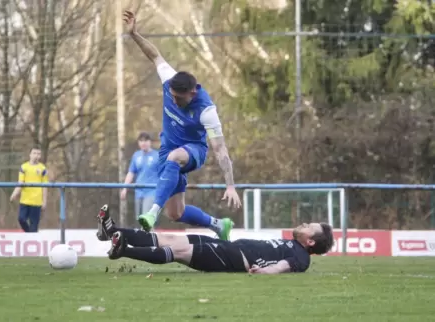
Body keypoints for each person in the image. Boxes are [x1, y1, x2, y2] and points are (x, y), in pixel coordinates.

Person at [121, 10, 241, 240]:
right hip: (168, 152)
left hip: (194, 151)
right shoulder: (169, 81)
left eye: (179, 98)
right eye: (172, 96)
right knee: (176, 213)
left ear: (193, 92)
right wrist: (135, 34)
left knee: (174, 157)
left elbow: (220, 149)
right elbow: (155, 56)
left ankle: (152, 213)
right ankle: (218, 225)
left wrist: (231, 186)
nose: (174, 100)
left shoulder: (207, 110)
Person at [98, 205, 334, 274]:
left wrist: (266, 272)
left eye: (308, 227)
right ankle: (113, 231)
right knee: (170, 237)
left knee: (177, 251)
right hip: (230, 248)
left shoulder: (301, 257)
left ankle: (123, 250)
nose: (303, 224)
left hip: (233, 260)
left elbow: (284, 266)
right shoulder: (293, 244)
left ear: (311, 242)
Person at [121, 132, 159, 219]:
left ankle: (148, 232)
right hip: (138, 191)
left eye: (146, 140)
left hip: (152, 191)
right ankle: (144, 232)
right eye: (141, 141)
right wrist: (125, 188)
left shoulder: (157, 156)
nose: (143, 143)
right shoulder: (136, 155)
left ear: (150, 142)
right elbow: (131, 172)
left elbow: (164, 174)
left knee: (146, 217)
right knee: (138, 218)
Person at [10, 147, 48, 232]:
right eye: (34, 153)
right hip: (25, 200)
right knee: (21, 219)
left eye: (38, 154)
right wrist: (14, 194)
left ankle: (32, 236)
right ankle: (28, 233)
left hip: (36, 201)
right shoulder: (24, 167)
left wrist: (44, 201)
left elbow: (45, 186)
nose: (36, 156)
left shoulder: (42, 168)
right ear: (30, 155)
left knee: (34, 224)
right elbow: (20, 183)